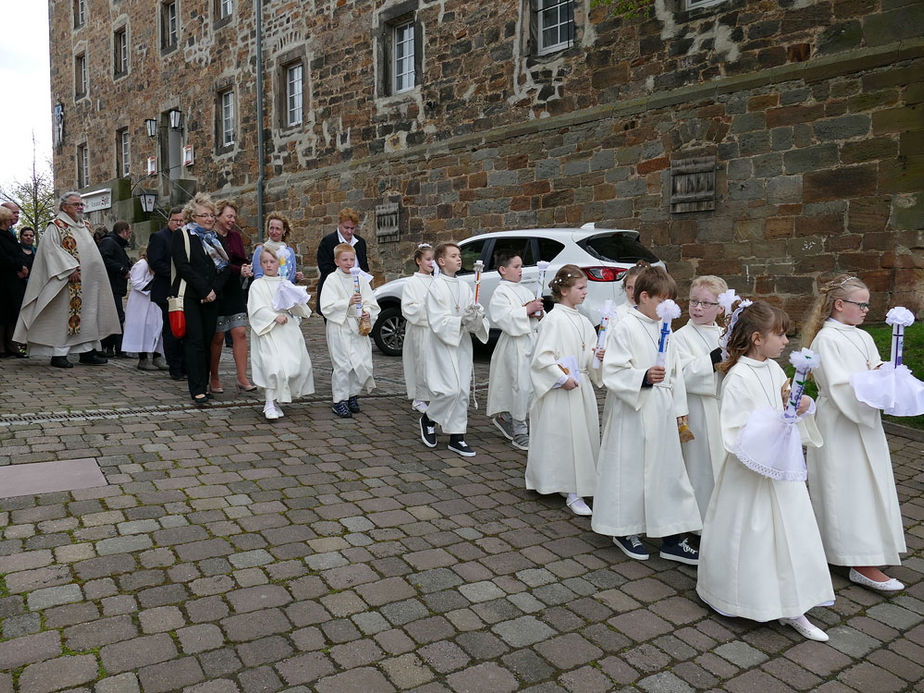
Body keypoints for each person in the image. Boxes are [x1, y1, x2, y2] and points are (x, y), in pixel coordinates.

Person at [697, 300, 832, 642]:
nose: (786, 341)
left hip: (782, 470)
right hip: (751, 474)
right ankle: (739, 596)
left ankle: (793, 603)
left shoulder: (774, 370)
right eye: (780, 334)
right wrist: (777, 421)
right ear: (757, 338)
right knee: (753, 535)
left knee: (791, 533)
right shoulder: (738, 377)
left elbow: (785, 410)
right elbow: (736, 430)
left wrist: (800, 407)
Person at [803, 275, 907, 592]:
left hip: (865, 421)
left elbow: (871, 368)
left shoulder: (860, 336)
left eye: (866, 304)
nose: (866, 310)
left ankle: (869, 547)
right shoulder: (827, 339)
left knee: (868, 488)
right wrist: (874, 384)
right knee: (845, 490)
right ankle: (850, 556)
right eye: (861, 304)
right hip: (840, 423)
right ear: (839, 304)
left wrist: (888, 376)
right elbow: (839, 386)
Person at [593, 266, 701, 564]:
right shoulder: (625, 326)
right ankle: (623, 528)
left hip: (664, 413)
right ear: (644, 297)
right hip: (634, 411)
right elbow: (612, 370)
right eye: (663, 301)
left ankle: (671, 535)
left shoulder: (665, 329)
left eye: (671, 302)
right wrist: (643, 376)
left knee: (667, 474)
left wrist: (680, 411)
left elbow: (676, 374)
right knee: (629, 471)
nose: (669, 308)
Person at [526, 264, 603, 515]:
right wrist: (560, 378)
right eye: (580, 288)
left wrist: (598, 357)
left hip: (581, 387)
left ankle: (579, 484)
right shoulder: (554, 320)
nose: (585, 293)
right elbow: (541, 358)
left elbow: (589, 357)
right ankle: (568, 488)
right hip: (562, 389)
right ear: (565, 290)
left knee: (582, 436)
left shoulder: (583, 320)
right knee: (564, 438)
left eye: (586, 288)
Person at [13, 192, 119, 367]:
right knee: (62, 317)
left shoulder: (84, 225)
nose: (80, 207)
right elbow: (49, 250)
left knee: (88, 315)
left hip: (89, 282)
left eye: (81, 204)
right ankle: (58, 354)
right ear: (64, 207)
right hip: (66, 281)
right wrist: (69, 268)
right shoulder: (56, 226)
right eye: (76, 204)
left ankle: (87, 351)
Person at [419, 241, 488, 456]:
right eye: (453, 255)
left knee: (462, 391)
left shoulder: (465, 286)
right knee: (449, 389)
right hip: (442, 344)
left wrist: (475, 317)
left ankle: (457, 436)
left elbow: (475, 320)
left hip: (462, 344)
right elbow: (438, 320)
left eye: (459, 255)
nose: (459, 258)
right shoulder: (436, 286)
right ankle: (429, 418)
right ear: (441, 261)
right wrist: (460, 321)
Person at [672, 275, 727, 521]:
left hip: (723, 408)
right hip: (698, 410)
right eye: (694, 301)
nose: (697, 308)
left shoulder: (726, 334)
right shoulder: (680, 337)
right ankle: (698, 521)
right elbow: (679, 374)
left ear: (721, 307)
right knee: (701, 467)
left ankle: (722, 518)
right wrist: (711, 361)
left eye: (706, 303)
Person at [172, 193, 230, 406]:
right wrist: (205, 290)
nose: (208, 219)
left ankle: (204, 384)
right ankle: (196, 389)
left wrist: (213, 290)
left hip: (212, 297)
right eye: (203, 215)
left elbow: (224, 268)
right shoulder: (183, 236)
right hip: (190, 296)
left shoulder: (216, 239)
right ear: (192, 217)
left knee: (207, 342)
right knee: (194, 341)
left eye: (211, 215)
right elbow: (184, 266)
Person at [248, 248, 315, 420]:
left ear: (279, 263)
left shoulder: (284, 283)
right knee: (272, 366)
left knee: (292, 365)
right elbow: (256, 309)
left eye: (272, 262)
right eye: (265, 262)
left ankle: (278, 398)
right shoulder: (257, 285)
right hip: (268, 330)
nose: (269, 265)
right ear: (260, 264)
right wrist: (273, 316)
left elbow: (295, 306)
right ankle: (269, 403)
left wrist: (296, 299)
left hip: (286, 331)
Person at [487, 252, 544, 451]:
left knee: (531, 385)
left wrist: (538, 313)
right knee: (520, 385)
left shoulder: (525, 290)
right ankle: (519, 429)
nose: (521, 271)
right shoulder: (501, 292)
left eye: (521, 267)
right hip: (514, 344)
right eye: (516, 267)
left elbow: (534, 318)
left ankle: (509, 418)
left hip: (530, 341)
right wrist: (527, 311)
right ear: (503, 269)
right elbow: (501, 317)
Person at [320, 242, 380, 418]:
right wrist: (347, 302)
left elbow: (371, 302)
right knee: (343, 364)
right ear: (336, 261)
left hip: (357, 327)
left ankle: (352, 395)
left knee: (359, 362)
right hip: (340, 326)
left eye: (351, 259)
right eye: (344, 259)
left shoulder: (360, 279)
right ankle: (339, 401)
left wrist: (367, 313)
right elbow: (327, 306)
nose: (348, 263)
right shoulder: (332, 279)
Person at [209, 200, 255, 393]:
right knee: (218, 336)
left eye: (234, 217)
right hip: (218, 289)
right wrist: (239, 269)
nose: (232, 220)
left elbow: (241, 258)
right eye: (229, 216)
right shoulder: (210, 237)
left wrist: (245, 267)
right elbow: (219, 263)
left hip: (234, 289)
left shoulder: (235, 236)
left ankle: (242, 377)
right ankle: (214, 377)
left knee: (240, 333)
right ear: (218, 216)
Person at [147, 207, 186, 379]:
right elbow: (155, 262)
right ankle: (175, 368)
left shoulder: (186, 237)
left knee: (184, 330)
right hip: (166, 290)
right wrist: (177, 274)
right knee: (171, 330)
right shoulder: (159, 237)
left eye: (181, 221)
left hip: (184, 290)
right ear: (168, 221)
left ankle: (184, 365)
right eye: (175, 220)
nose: (178, 223)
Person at [316, 207, 369, 317]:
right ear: (339, 224)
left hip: (356, 289)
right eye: (346, 227)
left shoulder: (360, 242)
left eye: (352, 228)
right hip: (336, 291)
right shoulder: (328, 241)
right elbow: (325, 268)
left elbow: (363, 266)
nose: (349, 231)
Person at [401, 243, 434, 414]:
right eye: (428, 259)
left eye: (434, 259)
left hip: (435, 330)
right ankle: (419, 397)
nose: (432, 263)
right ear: (418, 261)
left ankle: (434, 394)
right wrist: (428, 307)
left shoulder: (437, 281)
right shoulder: (412, 282)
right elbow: (408, 308)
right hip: (420, 330)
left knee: (434, 363)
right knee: (421, 362)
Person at [122, 248, 166, 371]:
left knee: (156, 327)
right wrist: (151, 285)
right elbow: (136, 282)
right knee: (142, 329)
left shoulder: (154, 265)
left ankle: (157, 357)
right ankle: (143, 359)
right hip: (141, 302)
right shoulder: (142, 264)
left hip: (153, 302)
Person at [97, 221, 133, 357]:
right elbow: (104, 260)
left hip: (115, 286)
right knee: (116, 316)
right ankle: (115, 347)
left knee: (117, 316)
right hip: (110, 286)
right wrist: (122, 269)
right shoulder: (109, 242)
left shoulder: (115, 244)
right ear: (123, 231)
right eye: (129, 233)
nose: (129, 236)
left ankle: (115, 347)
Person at [0, 207, 27, 356]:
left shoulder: (10, 235)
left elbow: (17, 252)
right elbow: (3, 257)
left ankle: (12, 345)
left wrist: (23, 266)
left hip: (14, 279)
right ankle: (2, 347)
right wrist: (18, 267)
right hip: (4, 279)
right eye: (11, 216)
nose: (14, 219)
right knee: (3, 313)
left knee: (13, 312)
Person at [252, 213, 303, 283]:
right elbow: (258, 278)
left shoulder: (289, 252)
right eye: (271, 228)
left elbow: (290, 280)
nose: (274, 232)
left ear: (284, 230)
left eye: (278, 229)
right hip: (267, 292)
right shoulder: (260, 250)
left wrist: (296, 279)